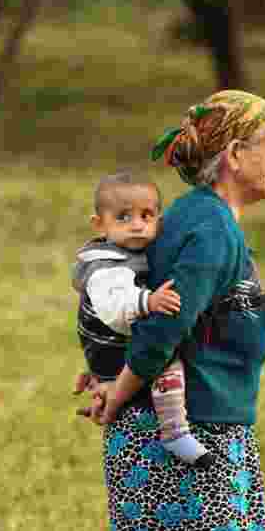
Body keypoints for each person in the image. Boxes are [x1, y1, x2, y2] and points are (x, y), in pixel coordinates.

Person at [79, 89, 265, 531]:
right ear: (236, 155)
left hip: (203, 428)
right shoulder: (209, 225)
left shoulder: (201, 217)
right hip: (181, 440)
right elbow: (163, 325)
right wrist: (120, 389)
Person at [71, 171, 216, 466]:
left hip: (108, 347)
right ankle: (174, 431)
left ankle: (100, 388)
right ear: (99, 224)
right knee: (165, 360)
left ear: (158, 221)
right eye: (123, 217)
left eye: (146, 216)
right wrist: (148, 302)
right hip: (112, 345)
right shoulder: (104, 265)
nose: (137, 225)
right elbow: (115, 307)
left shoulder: (133, 252)